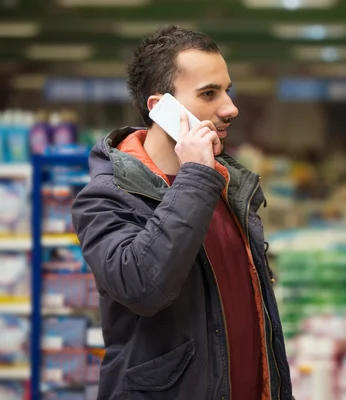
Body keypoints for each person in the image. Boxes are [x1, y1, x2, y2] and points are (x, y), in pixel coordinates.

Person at [71, 25, 292, 400]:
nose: (230, 108)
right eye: (209, 93)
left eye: (227, 90)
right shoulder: (105, 196)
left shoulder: (226, 185)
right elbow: (142, 286)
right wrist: (194, 178)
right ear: (161, 109)